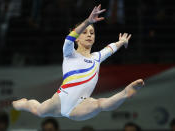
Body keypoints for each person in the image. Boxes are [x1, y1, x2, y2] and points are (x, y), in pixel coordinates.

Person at [12, 4, 144, 121]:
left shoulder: (96, 57)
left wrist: (122, 41)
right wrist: (88, 21)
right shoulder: (70, 54)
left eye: (92, 33)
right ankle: (23, 104)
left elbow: (110, 49)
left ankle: (126, 93)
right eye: (85, 32)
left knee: (100, 105)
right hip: (61, 100)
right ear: (77, 38)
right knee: (39, 111)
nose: (89, 35)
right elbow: (69, 39)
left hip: (80, 105)